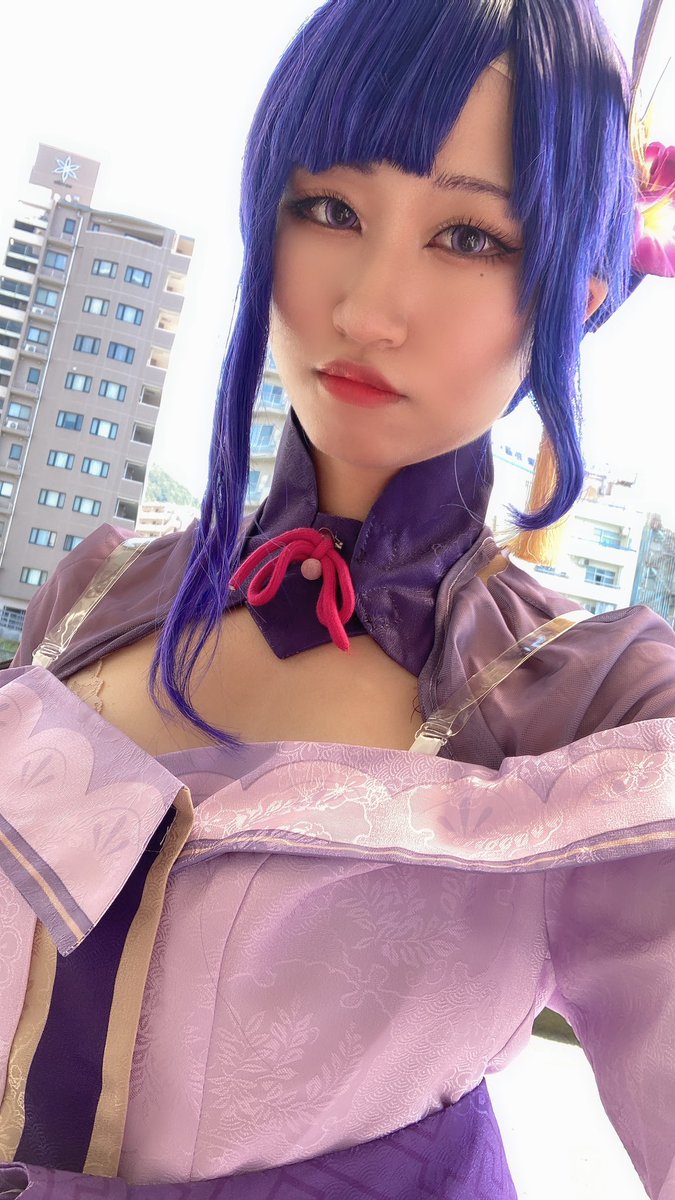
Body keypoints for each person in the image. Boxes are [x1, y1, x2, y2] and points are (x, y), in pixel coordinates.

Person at [1, 0, 674, 1197]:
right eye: (328, 209)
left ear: (576, 296)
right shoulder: (96, 586)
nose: (365, 310)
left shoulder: (600, 705)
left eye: (467, 236)